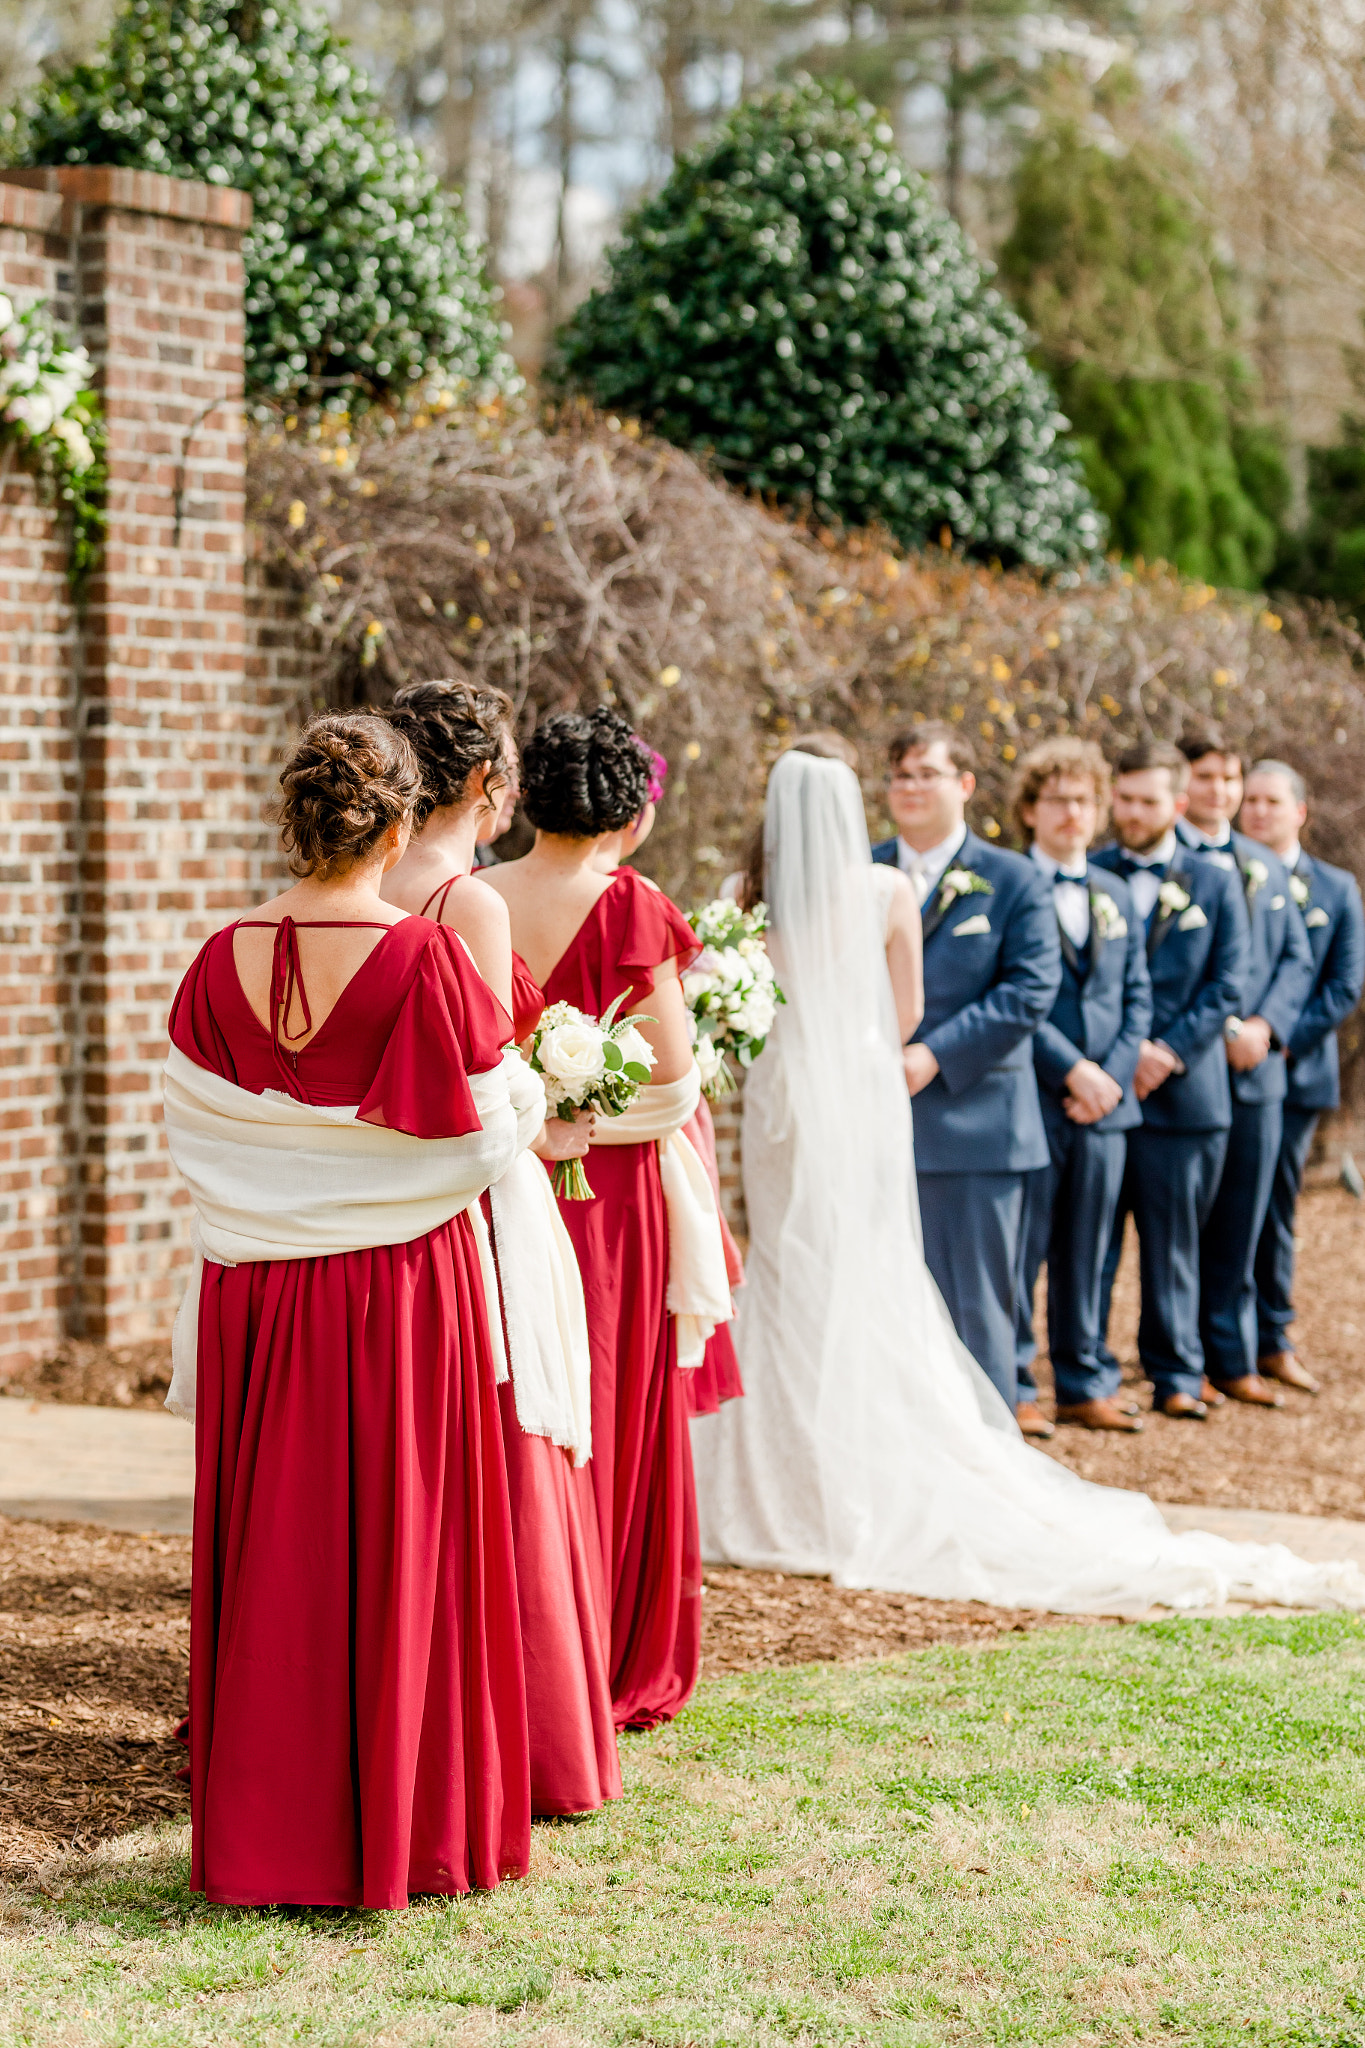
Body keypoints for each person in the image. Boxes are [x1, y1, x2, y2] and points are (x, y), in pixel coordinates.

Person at [691, 745, 1364, 1614]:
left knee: (789, 1263)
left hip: (785, 1106)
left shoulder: (740, 901)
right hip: (858, 1098)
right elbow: (902, 1015)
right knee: (861, 1266)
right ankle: (854, 1465)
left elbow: (725, 1006)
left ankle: (774, 1476)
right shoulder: (883, 889)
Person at [164, 714, 531, 1909]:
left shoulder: (219, 958)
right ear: (399, 821)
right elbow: (486, 1126)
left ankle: (268, 1824)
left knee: (279, 1540)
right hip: (399, 1292)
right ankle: (409, 1826)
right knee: (397, 1535)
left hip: (259, 1292)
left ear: (298, 815)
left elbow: (199, 1129)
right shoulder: (426, 957)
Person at [380, 678, 621, 1821]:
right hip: (467, 1202)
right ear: (484, 782)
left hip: (373, 1201)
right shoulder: (463, 901)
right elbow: (476, 1076)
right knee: (508, 1435)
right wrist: (552, 1110)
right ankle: (521, 1725)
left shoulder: (358, 877)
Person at [482, 708, 714, 1731]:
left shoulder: (472, 896)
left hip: (507, 1190)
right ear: (629, 804)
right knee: (612, 1399)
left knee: (525, 1400)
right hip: (612, 1199)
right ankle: (609, 1642)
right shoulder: (632, 903)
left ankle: (523, 1635)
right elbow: (671, 1072)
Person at [872, 722, 1062, 1430]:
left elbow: (1028, 990)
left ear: (964, 785)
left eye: (926, 773)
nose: (911, 788)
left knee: (976, 1305)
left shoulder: (1013, 878)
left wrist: (932, 1055)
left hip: (974, 1124)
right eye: (899, 775)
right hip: (873, 1118)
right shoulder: (860, 870)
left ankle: (986, 1447)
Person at [1091, 741, 1249, 1420]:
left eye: (1147, 801)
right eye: (1122, 799)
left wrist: (1165, 1052)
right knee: (1090, 1245)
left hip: (1185, 1095)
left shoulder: (1214, 881)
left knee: (1174, 1244)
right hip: (1100, 1093)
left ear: (1176, 805)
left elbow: (1227, 985)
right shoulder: (1089, 873)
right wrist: (1120, 1056)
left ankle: (1177, 1373)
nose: (1131, 813)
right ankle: (1086, 1375)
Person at [1011, 740, 1152, 1433]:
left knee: (1090, 1249)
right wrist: (1072, 1071)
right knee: (1021, 1247)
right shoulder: (1011, 884)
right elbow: (1013, 997)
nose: (1073, 812)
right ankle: (1013, 1382)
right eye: (1058, 798)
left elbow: (1136, 998)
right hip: (1033, 1095)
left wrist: (1110, 1080)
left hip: (1105, 1108)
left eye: (1084, 799)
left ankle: (1083, 1380)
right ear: (1030, 809)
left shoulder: (1116, 891)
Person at [1173, 727, 1314, 1407]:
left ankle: (1231, 1359)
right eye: (1206, 779)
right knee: (1180, 1226)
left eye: (1229, 780)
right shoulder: (1157, 861)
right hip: (1186, 1073)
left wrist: (1261, 1028)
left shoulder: (1266, 863)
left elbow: (1295, 961)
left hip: (1256, 1074)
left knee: (1241, 1221)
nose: (1220, 793)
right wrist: (1216, 1030)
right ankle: (1177, 1359)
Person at [1243, 760, 1365, 1391]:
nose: (1258, 811)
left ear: (1300, 811)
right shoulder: (1222, 875)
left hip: (1295, 1074)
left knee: (1274, 1208)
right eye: (1251, 800)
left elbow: (1344, 984)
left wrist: (1281, 1039)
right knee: (1225, 1209)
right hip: (1224, 1074)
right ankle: (1223, 1343)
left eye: (1271, 801)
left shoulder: (1336, 887)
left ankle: (1273, 1336)